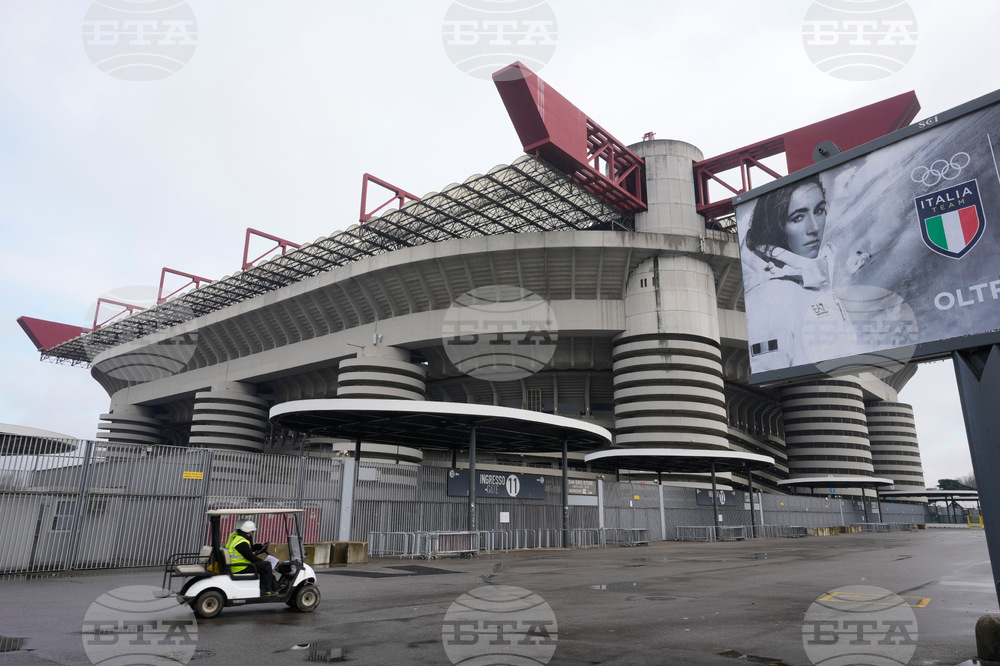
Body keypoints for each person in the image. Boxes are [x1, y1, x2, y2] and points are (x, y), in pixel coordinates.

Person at [742, 174, 858, 372]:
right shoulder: (772, 295)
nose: (814, 228)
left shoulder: (817, 280)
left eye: (819, 210)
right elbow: (771, 374)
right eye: (798, 217)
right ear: (775, 227)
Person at [225, 519, 279, 595]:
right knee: (266, 565)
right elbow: (251, 557)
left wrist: (259, 546)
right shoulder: (242, 542)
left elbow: (247, 550)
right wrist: (262, 562)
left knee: (263, 565)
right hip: (240, 567)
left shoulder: (235, 536)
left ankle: (273, 585)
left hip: (236, 565)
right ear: (250, 532)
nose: (252, 533)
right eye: (252, 531)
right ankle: (265, 590)